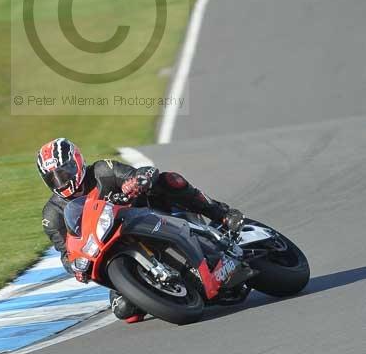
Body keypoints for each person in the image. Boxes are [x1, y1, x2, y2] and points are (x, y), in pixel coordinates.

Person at [38, 137, 244, 323]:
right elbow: (66, 252)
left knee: (170, 181)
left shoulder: (102, 171)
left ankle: (221, 214)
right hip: (107, 251)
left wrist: (137, 181)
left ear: (78, 162)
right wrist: (74, 266)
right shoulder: (52, 214)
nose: (62, 181)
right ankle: (160, 290)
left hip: (145, 216)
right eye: (53, 178)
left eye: (65, 173)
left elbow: (143, 172)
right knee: (126, 311)